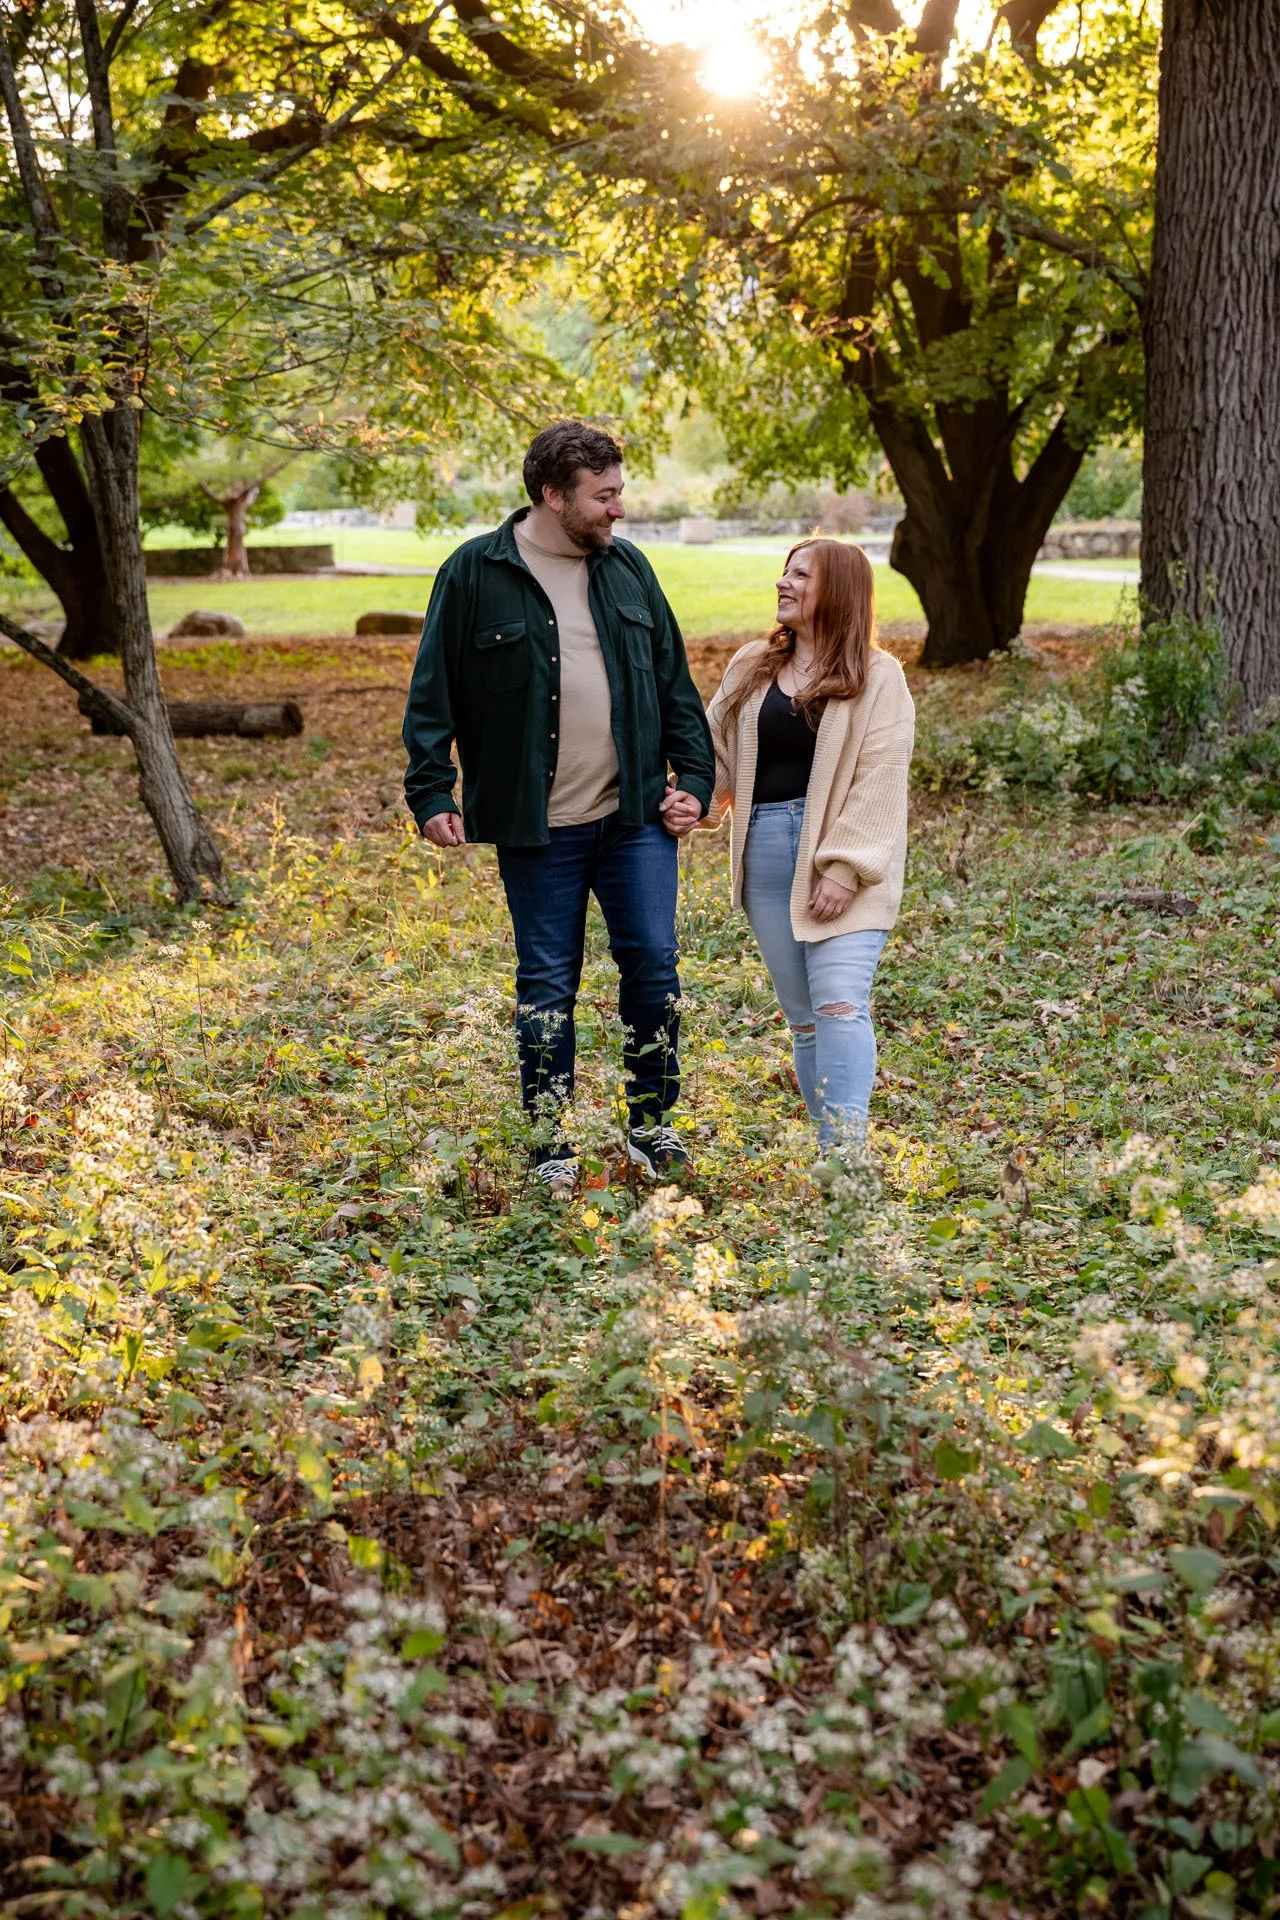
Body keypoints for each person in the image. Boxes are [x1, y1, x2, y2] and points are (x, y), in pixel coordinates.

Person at [402, 421, 715, 1192]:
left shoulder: (629, 570)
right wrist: (432, 791)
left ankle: (651, 1125)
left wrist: (696, 785)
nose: (617, 510)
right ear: (552, 495)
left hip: (635, 816)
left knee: (653, 964)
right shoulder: (474, 573)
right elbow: (431, 694)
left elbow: (677, 688)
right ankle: (549, 1142)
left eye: (618, 492)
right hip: (537, 828)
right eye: (603, 496)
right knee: (546, 982)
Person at [705, 538, 914, 1156]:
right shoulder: (752, 665)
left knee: (841, 1002)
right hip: (765, 850)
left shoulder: (879, 677)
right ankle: (831, 1148)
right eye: (784, 571)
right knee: (804, 1018)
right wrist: (695, 797)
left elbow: (882, 774)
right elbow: (717, 749)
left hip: (840, 856)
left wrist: (844, 868)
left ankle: (845, 1154)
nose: (783, 582)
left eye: (801, 575)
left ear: (838, 592)